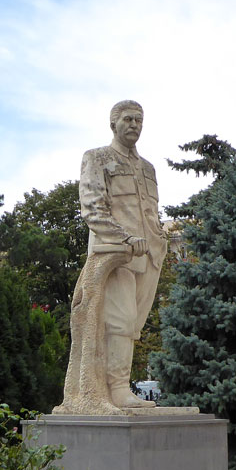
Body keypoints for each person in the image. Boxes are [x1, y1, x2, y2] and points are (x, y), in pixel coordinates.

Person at [74, 99, 168, 408]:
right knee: (120, 321)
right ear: (113, 123)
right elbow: (92, 208)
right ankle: (116, 389)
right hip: (115, 253)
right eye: (128, 119)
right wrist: (124, 237)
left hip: (149, 256)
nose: (134, 125)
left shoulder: (148, 168)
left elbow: (151, 213)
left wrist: (159, 238)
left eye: (139, 120)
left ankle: (118, 386)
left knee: (133, 326)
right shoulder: (98, 158)